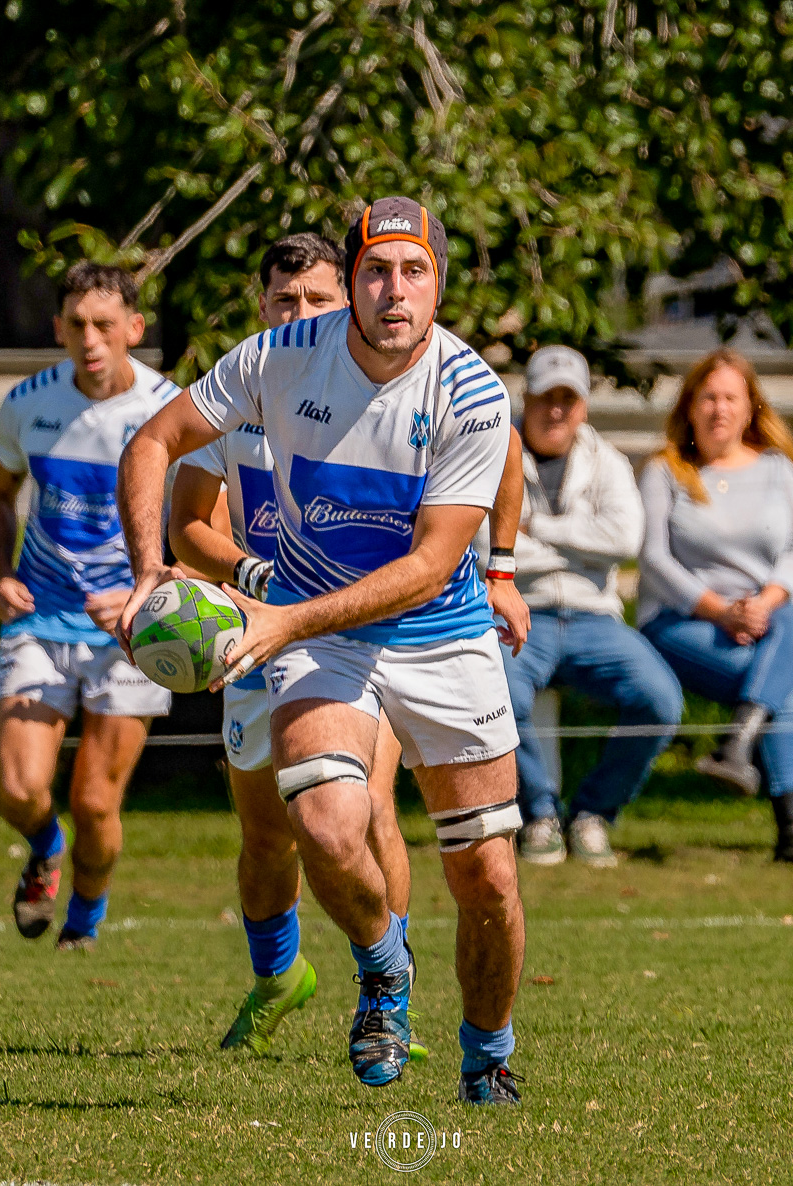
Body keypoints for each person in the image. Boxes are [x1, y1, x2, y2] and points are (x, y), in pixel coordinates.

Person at [116, 198, 526, 1104]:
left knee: (488, 875)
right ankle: (384, 968)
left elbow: (427, 567)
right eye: (377, 271)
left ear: (439, 286)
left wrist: (286, 619)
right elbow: (154, 442)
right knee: (325, 822)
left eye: (413, 273)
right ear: (353, 282)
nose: (394, 292)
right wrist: (148, 573)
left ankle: (488, 1057)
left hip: (441, 635)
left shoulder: (470, 391)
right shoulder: (277, 356)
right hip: (322, 638)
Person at [0, 262, 181, 951]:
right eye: (76, 324)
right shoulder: (28, 403)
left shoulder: (170, 410)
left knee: (96, 800)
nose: (90, 339)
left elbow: (201, 524)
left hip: (133, 630)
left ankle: (83, 925)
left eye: (104, 324)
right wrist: (2, 575)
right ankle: (45, 847)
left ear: (134, 328)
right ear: (58, 329)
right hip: (40, 619)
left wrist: (147, 591)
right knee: (17, 789)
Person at [636, 348, 793, 869]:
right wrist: (720, 611)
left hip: (769, 617)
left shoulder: (777, 469)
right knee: (784, 692)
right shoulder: (665, 471)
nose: (719, 409)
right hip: (684, 620)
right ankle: (791, 829)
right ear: (690, 407)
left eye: (731, 398)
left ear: (751, 407)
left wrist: (764, 602)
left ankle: (739, 742)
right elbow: (654, 559)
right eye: (708, 398)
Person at [504, 346, 684, 869]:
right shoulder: (494, 454)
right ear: (527, 398)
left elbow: (624, 539)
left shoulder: (609, 461)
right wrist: (581, 549)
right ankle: (539, 813)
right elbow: (487, 545)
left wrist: (536, 529)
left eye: (568, 399)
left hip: (594, 618)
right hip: (520, 613)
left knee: (659, 700)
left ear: (583, 406)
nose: (556, 410)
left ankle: (594, 813)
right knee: (497, 691)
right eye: (546, 398)